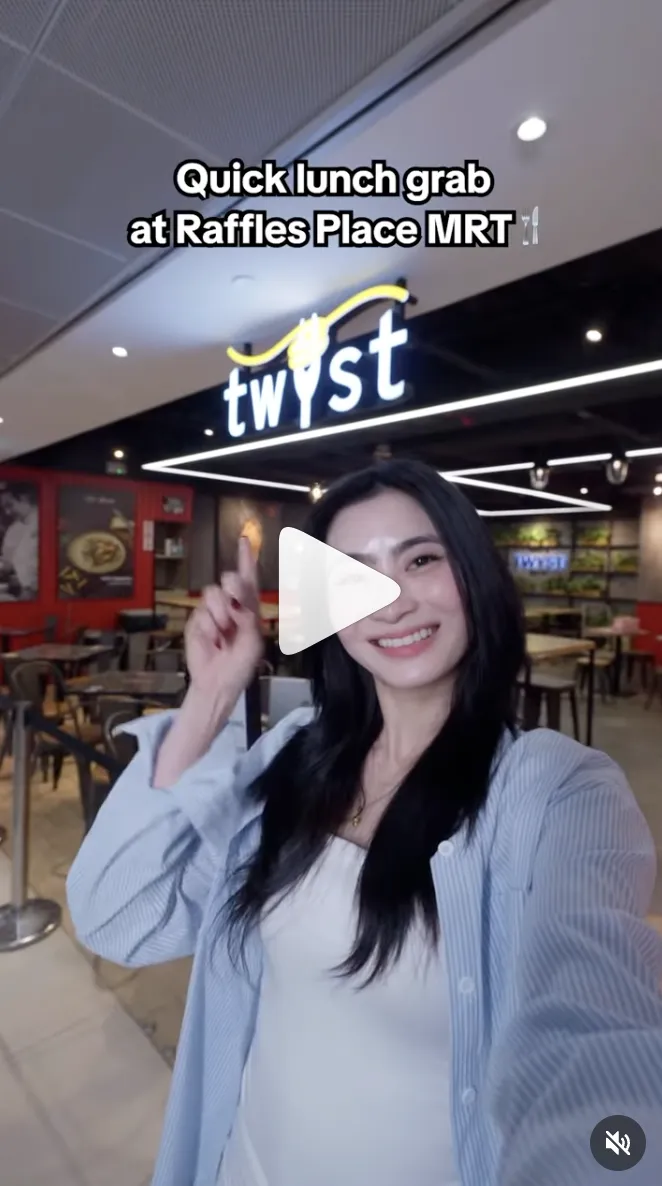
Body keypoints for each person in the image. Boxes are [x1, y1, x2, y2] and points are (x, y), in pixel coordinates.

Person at [67, 460, 662, 1186]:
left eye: (420, 560)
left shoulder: (557, 793)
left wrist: (615, 1151)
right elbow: (118, 918)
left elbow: (594, 1037)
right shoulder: (297, 755)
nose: (391, 601)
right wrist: (212, 695)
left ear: (473, 574)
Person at [0, 485, 38, 598]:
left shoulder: (46, 521)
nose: (7, 512)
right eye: (4, 508)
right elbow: (7, 562)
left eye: (10, 505)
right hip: (23, 589)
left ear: (24, 499)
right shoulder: (15, 529)